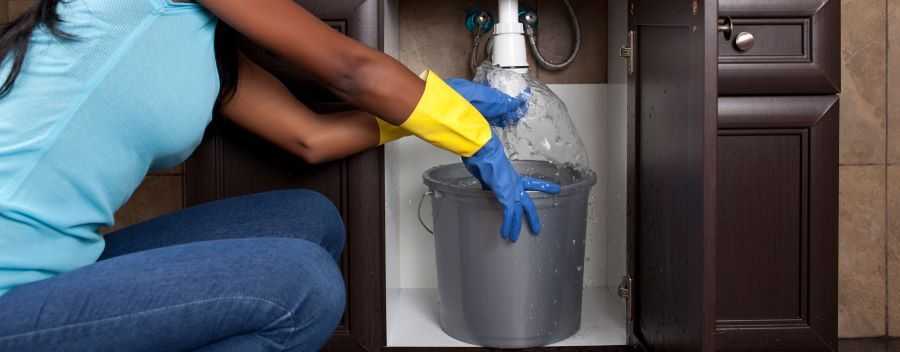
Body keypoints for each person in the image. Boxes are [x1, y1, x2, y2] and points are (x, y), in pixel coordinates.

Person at [0, 0, 560, 351]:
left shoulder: (206, 47)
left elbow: (308, 137)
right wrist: (468, 134)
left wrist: (435, 108)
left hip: (57, 268)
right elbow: (351, 70)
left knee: (308, 220)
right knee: (303, 287)